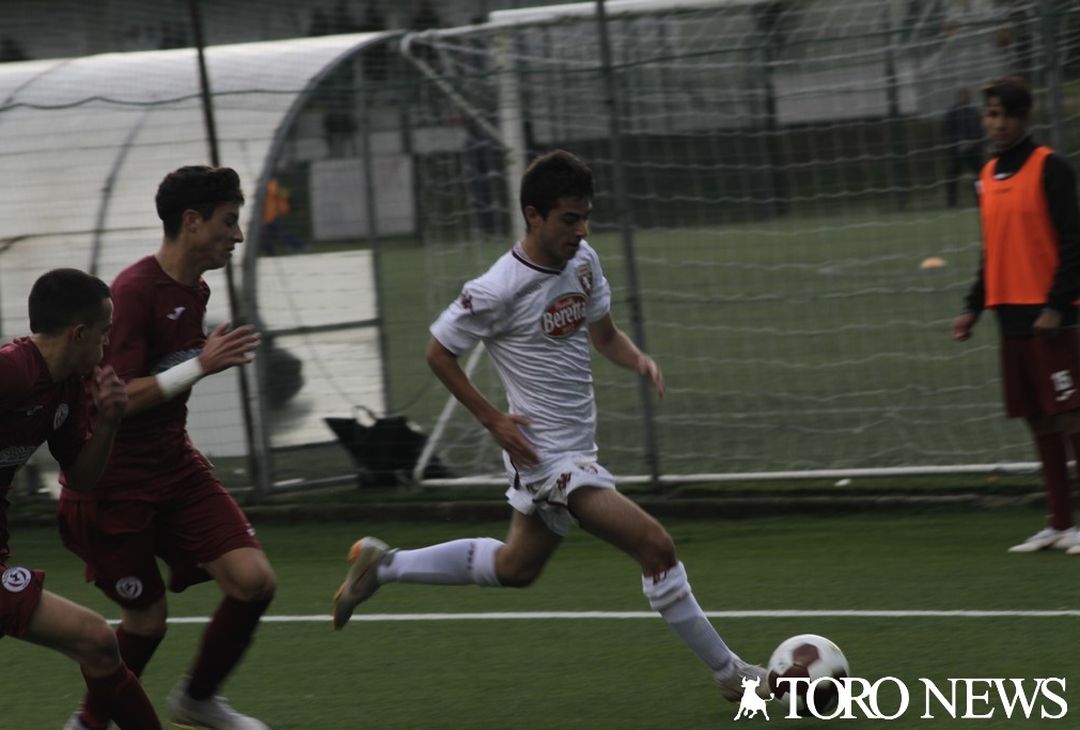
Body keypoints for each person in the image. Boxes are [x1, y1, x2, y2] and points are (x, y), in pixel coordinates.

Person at [332, 150, 768, 708]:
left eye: (586, 216)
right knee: (656, 547)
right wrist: (492, 418)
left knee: (516, 568)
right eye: (568, 218)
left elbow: (603, 334)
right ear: (533, 215)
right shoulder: (497, 287)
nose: (580, 229)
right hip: (546, 458)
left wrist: (637, 359)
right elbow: (439, 352)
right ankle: (733, 676)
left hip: (574, 449)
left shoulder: (583, 260)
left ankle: (384, 567)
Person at [58, 166, 276, 730]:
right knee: (147, 621)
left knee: (254, 582)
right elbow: (118, 400)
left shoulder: (193, 289)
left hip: (175, 467)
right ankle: (88, 723)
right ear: (191, 221)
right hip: (115, 483)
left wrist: (199, 357)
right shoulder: (131, 293)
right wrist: (202, 365)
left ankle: (198, 700)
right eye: (229, 222)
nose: (238, 235)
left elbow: (165, 375)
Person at [1, 268, 161, 729]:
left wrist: (110, 420)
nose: (108, 345)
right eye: (105, 332)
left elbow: (83, 478)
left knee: (96, 642)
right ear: (79, 333)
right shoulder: (12, 370)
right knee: (95, 638)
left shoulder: (67, 390)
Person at [953, 76, 1080, 555]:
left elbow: (1073, 243)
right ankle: (1059, 523)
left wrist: (1057, 305)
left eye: (1004, 114)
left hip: (1052, 319)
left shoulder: (1050, 167)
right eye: (990, 114)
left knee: (1073, 419)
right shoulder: (986, 177)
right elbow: (994, 253)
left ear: (1023, 118)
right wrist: (972, 308)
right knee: (1039, 422)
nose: (997, 123)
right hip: (1011, 318)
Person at [943, 88, 984, 208]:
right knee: (951, 175)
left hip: (973, 149)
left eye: (967, 95)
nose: (965, 98)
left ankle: (980, 200)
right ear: (959, 97)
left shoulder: (973, 112)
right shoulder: (952, 113)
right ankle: (952, 203)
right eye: (963, 95)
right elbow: (947, 130)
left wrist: (974, 142)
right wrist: (957, 143)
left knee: (980, 175)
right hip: (957, 150)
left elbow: (979, 130)